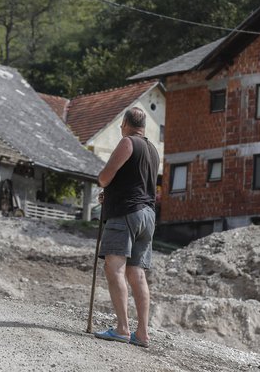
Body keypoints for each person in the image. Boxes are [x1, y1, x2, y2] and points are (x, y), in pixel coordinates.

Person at [93, 106, 159, 348]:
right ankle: (142, 333)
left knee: (115, 267)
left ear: (125, 124)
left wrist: (104, 186)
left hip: (125, 214)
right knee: (137, 273)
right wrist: (110, 195)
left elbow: (105, 176)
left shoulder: (127, 142)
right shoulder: (153, 150)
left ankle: (122, 328)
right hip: (148, 215)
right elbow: (135, 182)